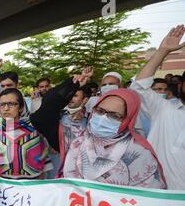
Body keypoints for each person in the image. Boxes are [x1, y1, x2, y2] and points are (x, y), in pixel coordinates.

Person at [60, 89, 167, 189]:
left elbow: (148, 197)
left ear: (127, 120)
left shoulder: (139, 153)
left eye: (114, 116)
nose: (103, 118)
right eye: (100, 111)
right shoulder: (78, 143)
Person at [130, 25, 185, 190]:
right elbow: (139, 86)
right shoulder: (165, 109)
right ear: (181, 86)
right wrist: (163, 52)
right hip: (156, 199)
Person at [0, 88, 52, 179]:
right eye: (2, 104)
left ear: (20, 107)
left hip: (32, 186)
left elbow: (43, 164)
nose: (6, 108)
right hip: (2, 187)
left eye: (11, 104)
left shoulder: (34, 129)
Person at [61, 86, 91, 153]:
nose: (70, 98)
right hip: (61, 156)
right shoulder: (60, 115)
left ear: (85, 100)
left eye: (75, 96)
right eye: (70, 95)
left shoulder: (90, 118)